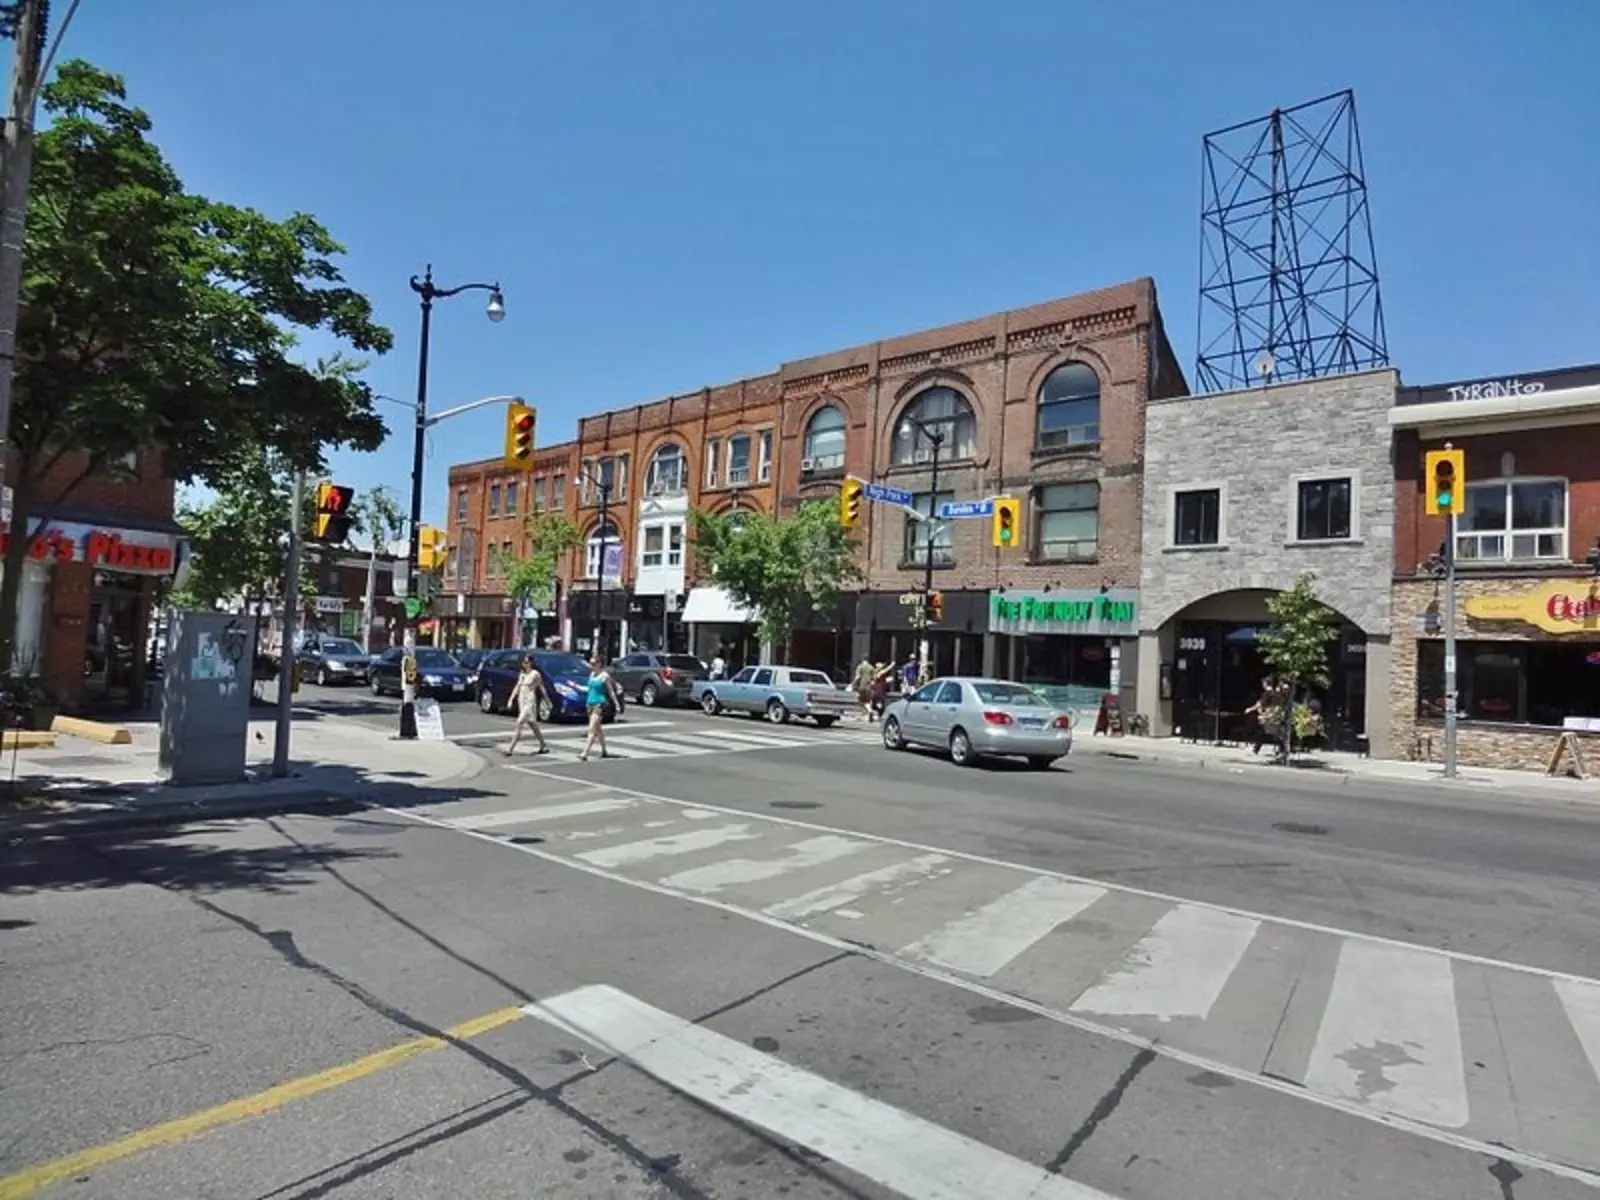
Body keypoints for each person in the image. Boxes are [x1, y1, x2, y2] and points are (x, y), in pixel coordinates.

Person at [504, 656, 550, 757]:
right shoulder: (522, 674)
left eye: (526, 662)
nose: (524, 664)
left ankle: (510, 748)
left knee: (519, 722)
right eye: (523, 662)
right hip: (522, 699)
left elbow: (541, 687)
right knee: (532, 724)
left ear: (531, 663)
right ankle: (543, 744)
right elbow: (517, 686)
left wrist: (547, 701)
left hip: (530, 700)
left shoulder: (535, 674)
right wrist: (511, 699)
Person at [579, 656, 622, 762]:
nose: (591, 666)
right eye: (591, 663)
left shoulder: (604, 676)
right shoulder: (592, 675)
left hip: (600, 704)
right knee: (598, 729)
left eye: (593, 664)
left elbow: (611, 691)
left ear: (599, 664)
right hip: (590, 703)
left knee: (592, 728)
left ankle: (585, 752)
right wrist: (576, 687)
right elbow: (589, 689)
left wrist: (617, 704)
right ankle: (604, 750)